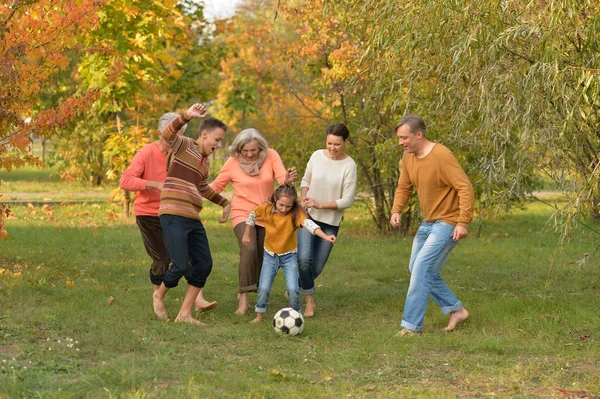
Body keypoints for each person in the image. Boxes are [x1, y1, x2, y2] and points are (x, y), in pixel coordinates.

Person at [119, 113, 217, 315]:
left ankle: (197, 300)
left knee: (192, 256)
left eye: (181, 135)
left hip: (177, 213)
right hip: (150, 214)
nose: (177, 140)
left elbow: (199, 184)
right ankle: (158, 299)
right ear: (161, 133)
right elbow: (125, 181)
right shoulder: (146, 153)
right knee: (163, 258)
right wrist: (154, 184)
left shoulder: (184, 153)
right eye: (174, 134)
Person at [390, 114, 473, 335]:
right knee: (417, 268)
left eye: (404, 137)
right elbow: (404, 186)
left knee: (421, 268)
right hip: (428, 223)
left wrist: (462, 222)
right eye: (399, 138)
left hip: (448, 223)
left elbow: (465, 187)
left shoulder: (442, 155)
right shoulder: (408, 156)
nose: (401, 142)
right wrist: (396, 209)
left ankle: (410, 326)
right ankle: (457, 310)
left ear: (419, 134)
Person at [152, 103, 232, 324]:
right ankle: (158, 294)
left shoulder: (205, 164)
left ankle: (184, 314)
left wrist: (225, 203)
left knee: (204, 264)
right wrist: (186, 116)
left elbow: (204, 187)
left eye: (221, 141)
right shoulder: (185, 145)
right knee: (179, 265)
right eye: (217, 139)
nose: (219, 144)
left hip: (192, 217)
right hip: (173, 213)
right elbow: (168, 135)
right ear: (204, 134)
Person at [210, 128, 296, 315]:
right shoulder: (232, 162)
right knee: (248, 249)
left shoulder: (271, 156)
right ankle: (243, 298)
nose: (249, 154)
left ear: (261, 148)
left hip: (267, 213)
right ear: (238, 150)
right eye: (245, 151)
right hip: (242, 212)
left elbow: (282, 180)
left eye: (253, 151)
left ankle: (255, 289)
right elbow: (216, 186)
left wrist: (287, 180)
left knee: (262, 255)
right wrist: (192, 190)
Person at [242, 184, 336, 323]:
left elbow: (310, 225)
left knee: (293, 289)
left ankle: (296, 316)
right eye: (281, 205)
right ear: (275, 199)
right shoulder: (266, 210)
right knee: (264, 287)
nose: (284, 209)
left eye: (288, 206)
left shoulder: (295, 214)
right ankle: (259, 315)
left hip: (289, 257)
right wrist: (246, 235)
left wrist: (326, 237)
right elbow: (252, 216)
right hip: (270, 256)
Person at [297, 123, 357, 317]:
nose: (332, 148)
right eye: (329, 143)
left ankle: (297, 285)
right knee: (304, 259)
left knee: (317, 266)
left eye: (337, 144)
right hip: (308, 217)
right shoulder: (316, 156)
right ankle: (309, 302)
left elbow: (347, 200)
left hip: (330, 221)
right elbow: (306, 181)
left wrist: (319, 204)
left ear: (345, 143)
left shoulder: (349, 166)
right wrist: (304, 199)